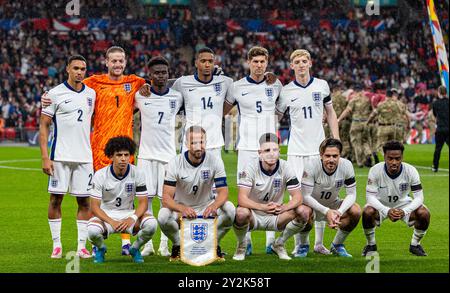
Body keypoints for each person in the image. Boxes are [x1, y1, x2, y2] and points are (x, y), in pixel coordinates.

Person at [42, 46, 147, 255]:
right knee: (96, 197)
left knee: (126, 195)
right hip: (98, 149)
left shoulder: (135, 82)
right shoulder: (92, 83)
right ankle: (92, 241)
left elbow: (157, 84)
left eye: (121, 61)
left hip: (125, 148)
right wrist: (46, 95)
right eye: (113, 61)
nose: (117, 64)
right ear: (106, 62)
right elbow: (69, 87)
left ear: (125, 62)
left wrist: (147, 91)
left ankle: (126, 242)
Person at [275, 49, 340, 256]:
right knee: (300, 198)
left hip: (319, 149)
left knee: (320, 195)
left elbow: (330, 112)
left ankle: (319, 244)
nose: (301, 64)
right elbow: (275, 117)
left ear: (310, 63)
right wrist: (273, 141)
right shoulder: (286, 91)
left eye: (304, 61)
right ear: (291, 66)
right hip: (296, 152)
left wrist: (335, 140)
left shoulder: (322, 85)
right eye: (297, 62)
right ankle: (300, 244)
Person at [224, 46, 283, 255]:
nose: (259, 65)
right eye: (255, 61)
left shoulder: (275, 84)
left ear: (267, 62)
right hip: (247, 147)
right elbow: (222, 110)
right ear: (248, 62)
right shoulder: (236, 86)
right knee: (246, 192)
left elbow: (280, 111)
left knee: (274, 192)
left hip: (270, 147)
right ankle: (246, 241)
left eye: (262, 62)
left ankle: (271, 242)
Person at [39, 55, 96, 259]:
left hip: (85, 157)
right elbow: (44, 126)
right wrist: (45, 157)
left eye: (83, 68)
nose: (80, 72)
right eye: (76, 68)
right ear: (67, 70)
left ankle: (81, 246)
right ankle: (57, 245)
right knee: (56, 199)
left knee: (84, 202)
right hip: (60, 157)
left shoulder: (92, 94)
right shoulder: (54, 94)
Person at [157, 126, 235, 261]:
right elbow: (166, 198)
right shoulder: (175, 163)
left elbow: (223, 193)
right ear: (186, 144)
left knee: (230, 209)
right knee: (163, 216)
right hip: (182, 207)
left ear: (206, 142)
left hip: (206, 206)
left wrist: (214, 206)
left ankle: (213, 243)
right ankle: (178, 245)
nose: (198, 146)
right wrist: (182, 209)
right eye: (193, 143)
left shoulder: (215, 160)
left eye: (201, 142)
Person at [232, 133, 311, 261]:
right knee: (240, 212)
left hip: (277, 216)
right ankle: (242, 245)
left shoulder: (286, 166)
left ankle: (279, 243)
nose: (271, 153)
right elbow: (241, 199)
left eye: (275, 150)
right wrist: (262, 207)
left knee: (304, 211)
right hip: (254, 216)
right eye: (267, 150)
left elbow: (298, 197)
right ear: (260, 153)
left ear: (279, 151)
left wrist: (285, 207)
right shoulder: (250, 167)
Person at [134, 56, 183, 256]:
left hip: (169, 156)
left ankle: (164, 244)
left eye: (164, 72)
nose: (161, 76)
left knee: (167, 201)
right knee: (147, 200)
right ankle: (148, 244)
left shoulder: (177, 97)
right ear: (150, 75)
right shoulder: (140, 95)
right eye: (157, 73)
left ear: (168, 74)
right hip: (145, 155)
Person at [87, 136, 157, 263]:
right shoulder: (100, 175)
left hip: (128, 214)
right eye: (119, 155)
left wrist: (133, 218)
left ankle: (135, 249)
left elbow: (143, 203)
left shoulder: (138, 173)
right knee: (92, 231)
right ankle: (101, 248)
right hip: (106, 215)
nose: (123, 159)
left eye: (126, 154)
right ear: (111, 156)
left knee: (152, 224)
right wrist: (111, 221)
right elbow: (94, 207)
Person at [362, 140, 431, 257]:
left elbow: (419, 197)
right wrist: (386, 210)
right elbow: (370, 197)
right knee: (367, 212)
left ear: (402, 157)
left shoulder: (411, 171)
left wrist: (405, 211)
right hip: (381, 204)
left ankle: (415, 245)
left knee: (424, 213)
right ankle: (371, 245)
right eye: (390, 158)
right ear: (384, 156)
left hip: (403, 205)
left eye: (397, 158)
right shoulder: (375, 170)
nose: (394, 162)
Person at [296, 138, 361, 257]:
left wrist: (339, 212)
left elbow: (351, 194)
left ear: (340, 155)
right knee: (303, 211)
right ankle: (303, 245)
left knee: (356, 210)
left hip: (333, 205)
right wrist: (327, 211)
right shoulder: (311, 165)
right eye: (327, 156)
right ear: (321, 155)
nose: (331, 160)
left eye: (335, 156)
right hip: (312, 206)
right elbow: (305, 196)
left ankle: (337, 245)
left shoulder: (346, 165)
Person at [172, 47, 234, 162]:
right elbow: (166, 92)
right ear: (196, 63)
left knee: (214, 179)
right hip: (190, 142)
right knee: (187, 179)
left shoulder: (226, 82)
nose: (207, 64)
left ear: (214, 63)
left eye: (210, 61)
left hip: (214, 144)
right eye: (203, 61)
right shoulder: (182, 82)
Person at [338, 83, 373, 168]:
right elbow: (372, 110)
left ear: (355, 91)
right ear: (362, 91)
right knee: (365, 141)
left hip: (356, 123)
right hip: (365, 122)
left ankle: (360, 162)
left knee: (356, 142)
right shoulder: (367, 100)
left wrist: (339, 119)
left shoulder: (353, 100)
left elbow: (348, 110)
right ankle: (368, 153)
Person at [431, 85, 449, 172]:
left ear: (439, 92)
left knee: (438, 149)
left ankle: (435, 166)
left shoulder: (435, 103)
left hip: (440, 128)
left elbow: (435, 115)